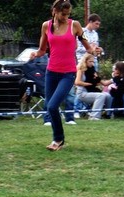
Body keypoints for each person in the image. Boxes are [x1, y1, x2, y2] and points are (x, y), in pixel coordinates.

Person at [30, 0, 92, 151]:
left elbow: (87, 44)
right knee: (49, 107)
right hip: (51, 72)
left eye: (68, 14)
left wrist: (92, 49)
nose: (66, 17)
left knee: (52, 105)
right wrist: (35, 54)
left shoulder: (74, 25)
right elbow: (42, 50)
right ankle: (58, 139)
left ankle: (58, 140)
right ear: (54, 11)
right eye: (63, 14)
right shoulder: (46, 26)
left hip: (68, 73)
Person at [74, 13, 103, 119]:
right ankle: (75, 109)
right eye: (96, 24)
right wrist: (90, 47)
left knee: (91, 84)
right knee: (81, 86)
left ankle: (86, 109)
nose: (97, 26)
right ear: (90, 22)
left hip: (93, 61)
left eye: (99, 24)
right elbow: (78, 48)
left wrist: (99, 50)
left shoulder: (95, 34)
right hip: (83, 62)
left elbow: (96, 47)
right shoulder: (81, 32)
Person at [75, 53, 112, 120]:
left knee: (108, 95)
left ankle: (108, 114)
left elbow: (103, 83)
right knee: (101, 96)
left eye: (93, 62)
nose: (92, 63)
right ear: (85, 61)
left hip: (91, 91)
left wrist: (113, 79)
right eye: (90, 61)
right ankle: (94, 116)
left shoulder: (92, 70)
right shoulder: (80, 69)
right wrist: (88, 84)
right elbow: (77, 82)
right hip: (82, 92)